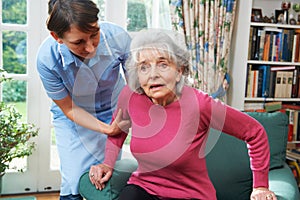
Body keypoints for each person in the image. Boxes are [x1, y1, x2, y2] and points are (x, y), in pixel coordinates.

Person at [88, 29, 277, 200]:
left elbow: (255, 132)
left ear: (179, 71)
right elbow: (117, 131)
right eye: (144, 67)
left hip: (190, 196)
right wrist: (108, 163)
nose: (152, 74)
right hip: (144, 189)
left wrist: (260, 185)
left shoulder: (200, 104)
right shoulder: (130, 97)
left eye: (162, 65)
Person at [36, 0, 131, 199]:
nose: (90, 48)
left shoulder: (117, 37)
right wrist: (107, 129)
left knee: (105, 179)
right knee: (72, 181)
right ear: (57, 37)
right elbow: (68, 108)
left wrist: (125, 116)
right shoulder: (47, 59)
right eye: (78, 42)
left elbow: (136, 83)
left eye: (94, 34)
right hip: (75, 115)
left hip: (115, 109)